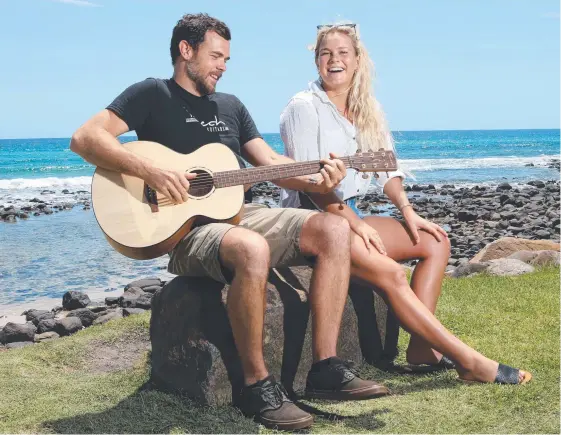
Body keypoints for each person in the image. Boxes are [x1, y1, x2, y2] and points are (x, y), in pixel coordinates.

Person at [70, 13, 393, 431]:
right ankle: (256, 387)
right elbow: (85, 138)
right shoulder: (152, 93)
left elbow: (272, 164)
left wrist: (317, 175)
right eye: (216, 56)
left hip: (242, 213)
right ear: (186, 51)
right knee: (250, 247)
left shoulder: (231, 106)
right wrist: (151, 172)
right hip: (187, 230)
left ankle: (326, 369)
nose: (223, 65)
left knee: (333, 228)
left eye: (226, 58)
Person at [280, 22, 531, 386]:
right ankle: (470, 362)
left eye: (342, 53)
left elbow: (388, 169)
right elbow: (310, 186)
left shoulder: (366, 107)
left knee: (435, 240)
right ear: (316, 60)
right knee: (392, 273)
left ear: (357, 59)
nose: (334, 60)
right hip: (315, 221)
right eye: (325, 54)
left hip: (352, 212)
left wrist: (408, 211)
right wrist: (358, 224)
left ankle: (422, 350)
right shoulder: (303, 108)